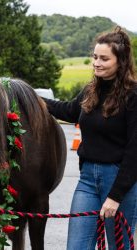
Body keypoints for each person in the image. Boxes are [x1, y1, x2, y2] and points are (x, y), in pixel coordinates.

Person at [43, 26, 137, 249]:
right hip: (87, 181)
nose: (97, 63)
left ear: (120, 61)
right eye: (95, 57)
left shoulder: (133, 96)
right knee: (76, 246)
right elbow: (68, 110)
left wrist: (115, 197)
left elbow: (135, 151)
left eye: (104, 58)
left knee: (118, 247)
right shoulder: (91, 91)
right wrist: (30, 96)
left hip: (119, 181)